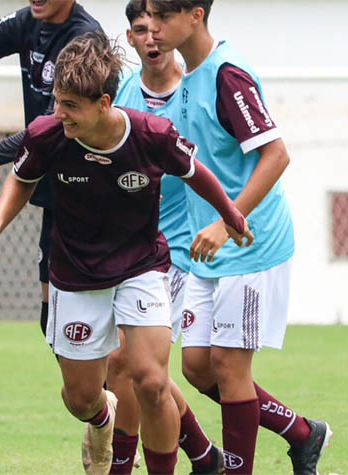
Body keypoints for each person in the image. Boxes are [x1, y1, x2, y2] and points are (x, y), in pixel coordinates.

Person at [0, 31, 252, 475]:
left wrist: (230, 213)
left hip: (141, 267)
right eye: (57, 101)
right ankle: (102, 418)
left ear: (103, 102)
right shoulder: (48, 135)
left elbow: (196, 172)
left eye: (70, 106)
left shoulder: (151, 134)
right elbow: (21, 179)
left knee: (153, 382)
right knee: (80, 398)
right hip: (75, 274)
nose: (59, 113)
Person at [143, 1, 332, 473]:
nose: (154, 27)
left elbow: (277, 155)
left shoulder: (229, 75)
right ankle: (302, 434)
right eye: (149, 15)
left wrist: (227, 222)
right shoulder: (188, 78)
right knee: (197, 367)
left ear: (195, 15)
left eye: (163, 16)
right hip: (207, 249)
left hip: (250, 244)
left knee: (229, 366)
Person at [103, 2, 221, 473]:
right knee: (135, 372)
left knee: (132, 368)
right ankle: (206, 454)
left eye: (158, 27)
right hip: (131, 249)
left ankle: (123, 465)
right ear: (129, 38)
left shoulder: (193, 91)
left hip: (176, 252)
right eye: (140, 30)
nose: (151, 37)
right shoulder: (125, 93)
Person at [0, 0, 103, 339]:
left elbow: (55, 124)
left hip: (89, 193)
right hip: (53, 188)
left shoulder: (85, 39)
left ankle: (115, 392)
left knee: (95, 330)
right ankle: (104, 394)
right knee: (53, 322)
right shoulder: (27, 20)